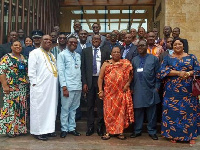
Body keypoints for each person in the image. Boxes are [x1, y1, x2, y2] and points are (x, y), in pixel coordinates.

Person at [157, 38, 200, 144]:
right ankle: (173, 135)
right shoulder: (167, 58)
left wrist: (189, 73)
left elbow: (198, 69)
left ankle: (191, 136)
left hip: (189, 91)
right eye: (175, 44)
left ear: (183, 45)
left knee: (190, 113)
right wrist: (178, 73)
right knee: (173, 112)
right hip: (172, 91)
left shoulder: (191, 57)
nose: (177, 46)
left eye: (179, 44)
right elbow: (161, 71)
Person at [98, 46, 134, 140]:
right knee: (109, 113)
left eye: (118, 52)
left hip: (121, 92)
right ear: (111, 53)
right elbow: (100, 78)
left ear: (120, 53)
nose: (116, 53)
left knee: (120, 113)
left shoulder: (125, 63)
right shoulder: (106, 64)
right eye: (114, 52)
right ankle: (108, 132)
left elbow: (131, 75)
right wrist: (100, 91)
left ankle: (120, 132)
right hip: (109, 93)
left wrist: (127, 84)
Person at [28, 35, 58, 141]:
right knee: (39, 109)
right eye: (45, 39)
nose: (48, 41)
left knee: (50, 109)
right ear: (40, 41)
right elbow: (31, 71)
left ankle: (48, 130)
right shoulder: (34, 53)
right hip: (40, 87)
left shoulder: (51, 54)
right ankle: (38, 131)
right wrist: (35, 84)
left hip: (50, 88)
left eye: (50, 40)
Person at [130, 39, 160, 140]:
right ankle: (137, 131)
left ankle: (152, 131)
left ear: (146, 46)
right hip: (138, 88)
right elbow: (131, 76)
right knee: (138, 111)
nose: (140, 48)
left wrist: (157, 87)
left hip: (151, 88)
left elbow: (158, 74)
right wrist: (132, 88)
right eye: (139, 46)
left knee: (151, 112)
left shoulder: (154, 59)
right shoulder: (134, 60)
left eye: (142, 46)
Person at [81, 35, 110, 136]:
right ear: (91, 40)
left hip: (101, 81)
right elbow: (83, 68)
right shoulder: (86, 51)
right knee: (90, 105)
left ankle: (100, 127)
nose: (95, 40)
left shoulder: (105, 51)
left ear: (100, 41)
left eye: (97, 39)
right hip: (89, 81)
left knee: (100, 105)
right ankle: (90, 127)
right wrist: (84, 83)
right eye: (94, 39)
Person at [0, 41, 29, 137]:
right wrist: (4, 85)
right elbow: (2, 72)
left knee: (21, 108)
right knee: (10, 108)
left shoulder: (24, 58)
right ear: (11, 47)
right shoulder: (6, 57)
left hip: (22, 87)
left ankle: (21, 129)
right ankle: (11, 130)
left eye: (20, 46)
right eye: (16, 45)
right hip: (11, 87)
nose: (18, 47)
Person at [57, 36, 82, 138]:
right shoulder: (62, 55)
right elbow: (61, 72)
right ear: (67, 43)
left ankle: (72, 128)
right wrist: (64, 87)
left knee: (74, 109)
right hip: (67, 87)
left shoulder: (78, 55)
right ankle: (64, 129)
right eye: (71, 42)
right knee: (65, 109)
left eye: (75, 43)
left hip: (77, 86)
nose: (73, 44)